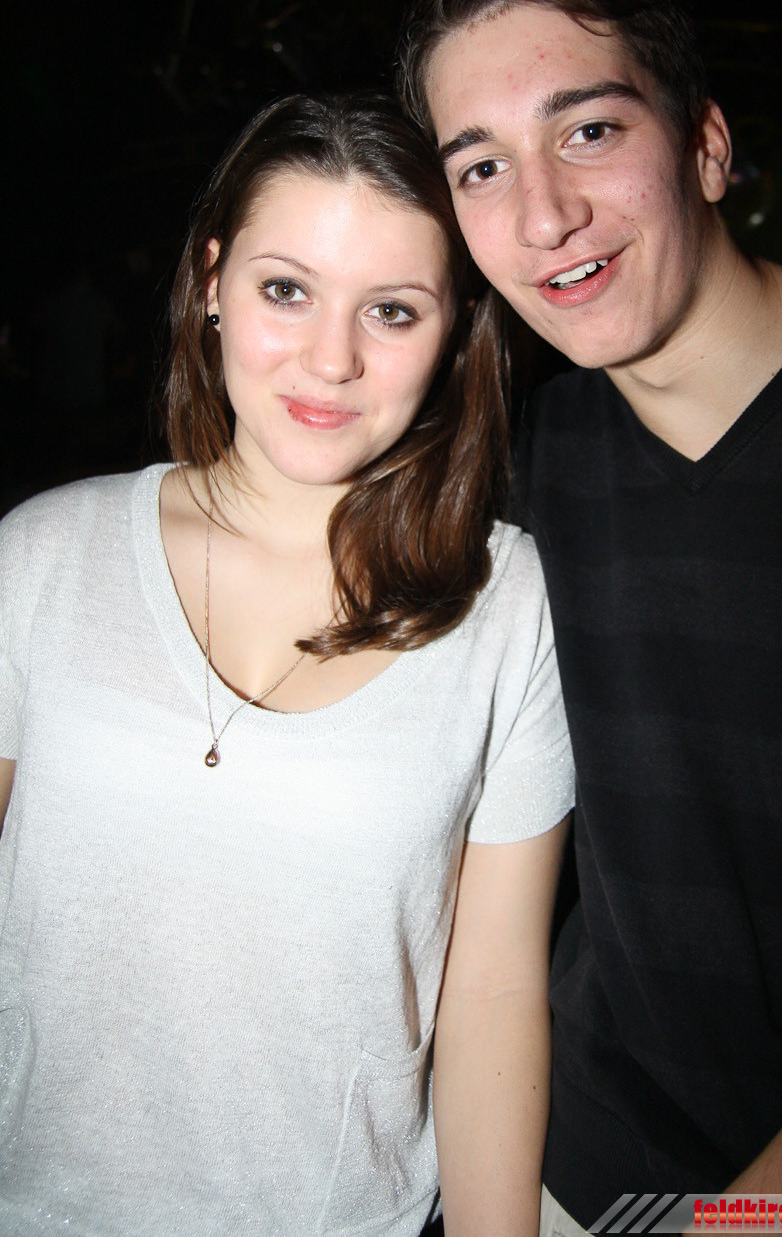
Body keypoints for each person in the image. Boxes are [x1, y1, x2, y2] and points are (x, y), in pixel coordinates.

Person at [396, 0, 782, 1226]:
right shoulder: (528, 462)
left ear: (708, 147)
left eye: (588, 131)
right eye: (481, 166)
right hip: (583, 1156)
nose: (543, 213)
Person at [0, 92, 574, 1236]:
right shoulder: (40, 557)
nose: (331, 359)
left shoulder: (508, 606)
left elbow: (494, 995)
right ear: (211, 281)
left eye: (392, 310)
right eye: (286, 290)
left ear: (456, 330)